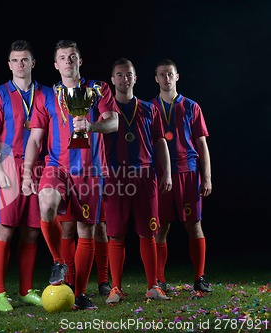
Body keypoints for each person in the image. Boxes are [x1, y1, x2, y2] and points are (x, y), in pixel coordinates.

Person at [22, 40, 119, 310]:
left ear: (80, 60)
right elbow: (35, 139)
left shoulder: (98, 89)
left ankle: (79, 294)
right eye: (62, 57)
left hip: (90, 169)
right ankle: (59, 261)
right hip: (57, 166)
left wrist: (92, 124)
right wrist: (27, 173)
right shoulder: (46, 96)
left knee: (85, 229)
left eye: (72, 56)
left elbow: (114, 122)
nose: (68, 61)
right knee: (46, 206)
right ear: (56, 64)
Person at [0, 40, 53, 312]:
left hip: (38, 166)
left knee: (32, 232)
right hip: (8, 165)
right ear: (8, 64)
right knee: (5, 228)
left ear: (33, 63)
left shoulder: (46, 93)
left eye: (24, 60)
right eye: (15, 60)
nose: (20, 64)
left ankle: (25, 290)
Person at [104, 57, 172, 303]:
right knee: (116, 235)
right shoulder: (105, 111)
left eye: (129, 74)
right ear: (113, 80)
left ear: (135, 77)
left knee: (148, 233)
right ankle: (116, 288)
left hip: (145, 176)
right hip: (115, 177)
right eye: (120, 75)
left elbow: (160, 142)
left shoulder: (148, 108)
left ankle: (153, 286)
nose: (125, 79)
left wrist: (167, 173)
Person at [151, 59, 213, 293]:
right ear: (155, 79)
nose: (166, 78)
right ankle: (159, 278)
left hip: (188, 171)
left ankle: (200, 277)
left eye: (170, 74)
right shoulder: (149, 107)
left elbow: (202, 144)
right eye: (161, 74)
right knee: (160, 226)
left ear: (177, 76)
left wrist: (206, 177)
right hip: (160, 175)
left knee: (193, 224)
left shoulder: (191, 106)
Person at [58, 199, 111, 297]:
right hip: (70, 186)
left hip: (92, 186)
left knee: (100, 227)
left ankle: (103, 281)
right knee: (68, 227)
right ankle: (71, 281)